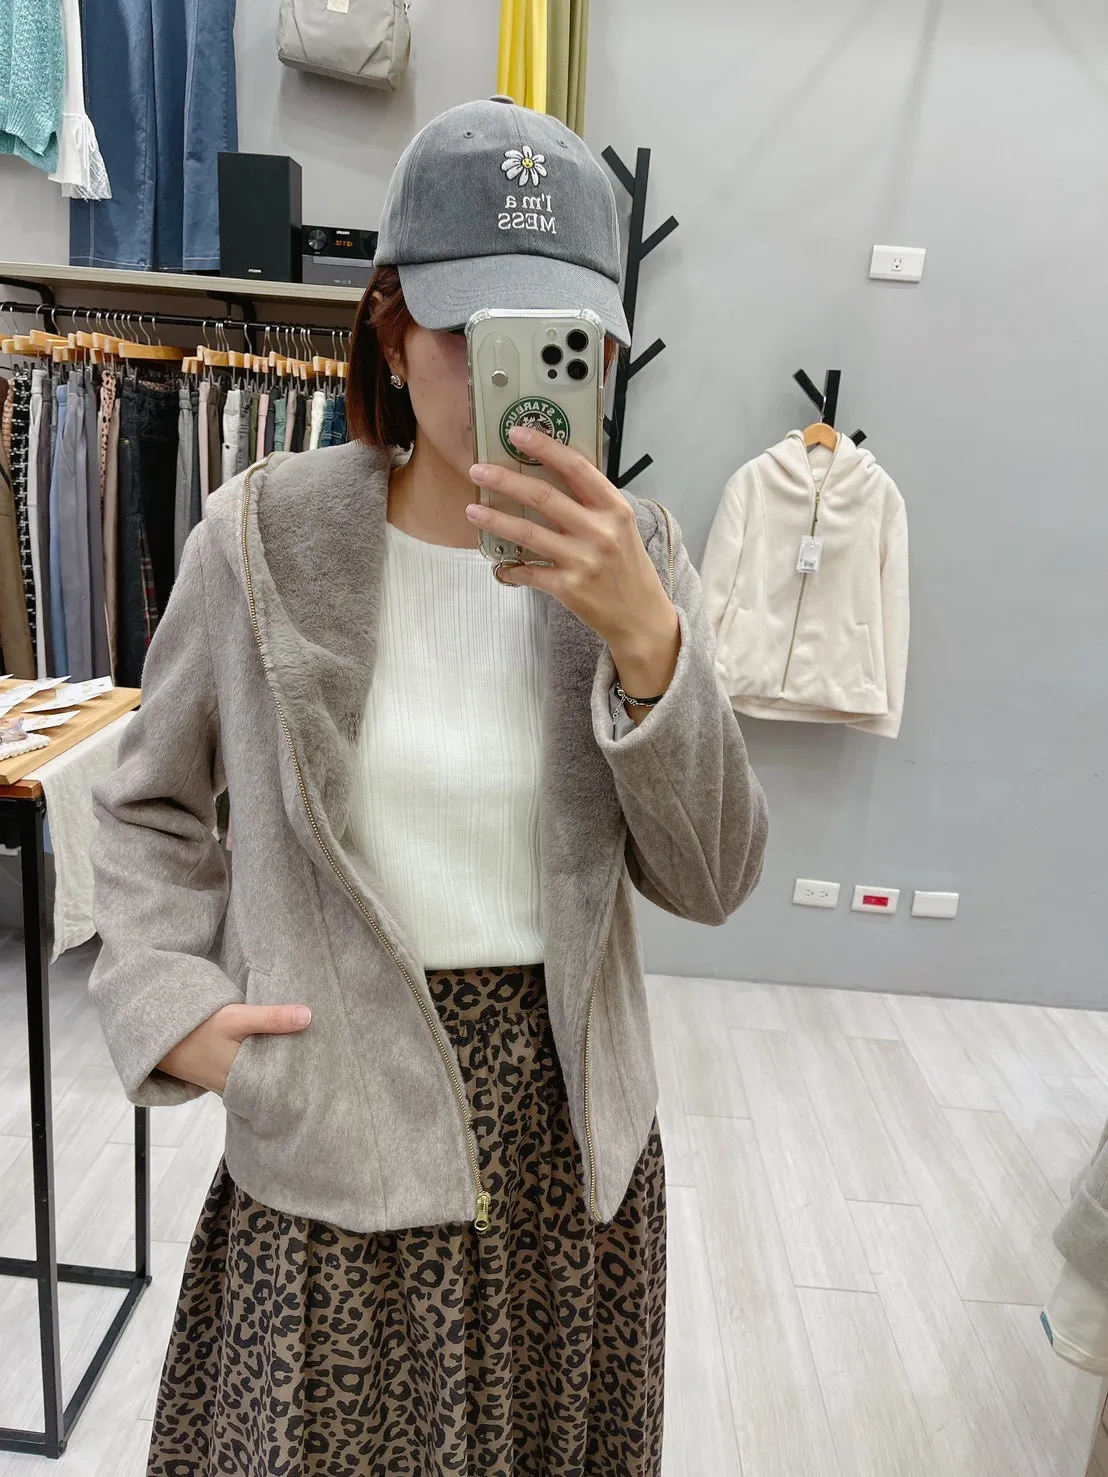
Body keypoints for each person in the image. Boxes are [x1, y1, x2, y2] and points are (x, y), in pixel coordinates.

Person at [89, 96, 768, 1476]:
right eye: (472, 332)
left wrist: (648, 643)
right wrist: (172, 1006)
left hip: (570, 1157)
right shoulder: (261, 540)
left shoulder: (638, 558)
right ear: (391, 333)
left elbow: (710, 880)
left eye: (559, 337)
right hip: (335, 1124)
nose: (509, 376)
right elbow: (148, 801)